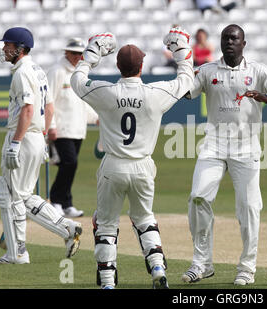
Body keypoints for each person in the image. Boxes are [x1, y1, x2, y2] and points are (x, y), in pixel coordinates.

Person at [70, 28, 194, 289]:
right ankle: (158, 267)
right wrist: (180, 50)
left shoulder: (106, 92)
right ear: (142, 66)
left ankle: (107, 282)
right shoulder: (155, 94)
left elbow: (77, 81)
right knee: (144, 218)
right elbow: (186, 80)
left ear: (117, 65)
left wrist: (91, 55)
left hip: (113, 165)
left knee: (105, 224)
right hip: (142, 166)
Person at [181, 24, 267, 286]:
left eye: (234, 38)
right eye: (225, 38)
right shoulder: (208, 70)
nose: (229, 42)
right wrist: (182, 61)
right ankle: (201, 264)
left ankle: (247, 267)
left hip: (246, 145)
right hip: (214, 144)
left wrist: (264, 97)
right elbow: (186, 92)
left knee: (249, 208)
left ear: (244, 43)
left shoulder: (258, 71)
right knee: (198, 197)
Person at [0, 27, 82, 265]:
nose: (4, 49)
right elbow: (49, 108)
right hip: (34, 138)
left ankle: (18, 253)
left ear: (20, 49)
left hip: (22, 138)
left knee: (10, 197)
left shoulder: (23, 72)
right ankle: (66, 228)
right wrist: (41, 137)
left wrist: (15, 143)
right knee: (23, 196)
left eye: (8, 45)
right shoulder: (38, 70)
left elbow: (28, 109)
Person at [46, 38, 99, 218]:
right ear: (66, 53)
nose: (77, 56)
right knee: (69, 163)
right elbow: (48, 100)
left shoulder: (80, 74)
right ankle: (55, 200)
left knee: (70, 166)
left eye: (80, 53)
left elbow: (83, 102)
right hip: (61, 128)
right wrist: (50, 126)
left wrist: (96, 118)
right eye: (74, 53)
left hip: (77, 128)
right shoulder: (57, 71)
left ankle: (66, 203)